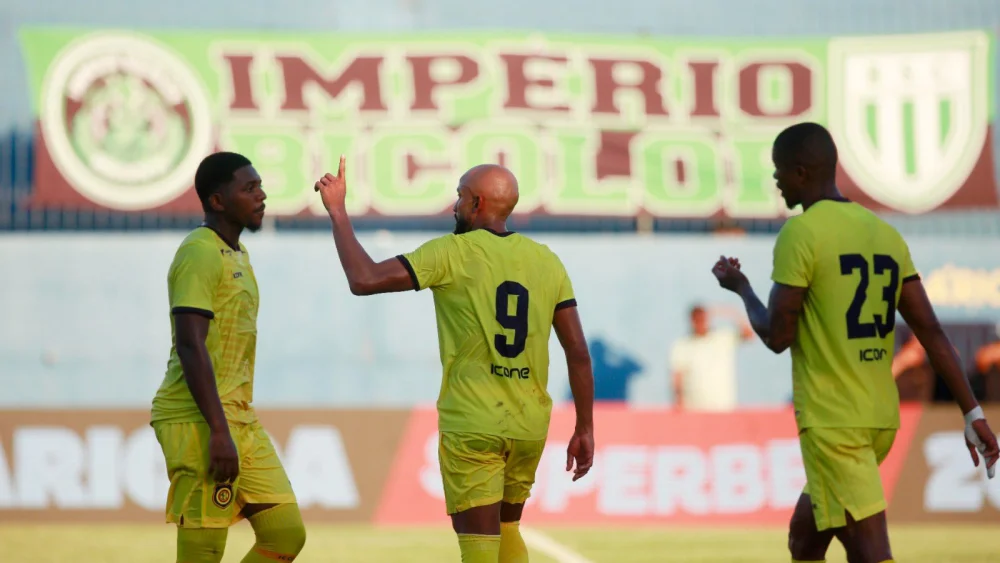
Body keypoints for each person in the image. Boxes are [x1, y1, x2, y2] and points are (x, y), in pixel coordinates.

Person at [710, 122, 999, 563]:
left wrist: (742, 288)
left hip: (834, 423)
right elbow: (933, 333)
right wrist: (972, 411)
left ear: (802, 173)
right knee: (804, 540)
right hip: (879, 418)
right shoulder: (883, 234)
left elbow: (776, 335)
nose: (776, 181)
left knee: (870, 552)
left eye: (779, 171)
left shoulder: (801, 234)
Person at [315, 157, 595, 563]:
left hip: (473, 426)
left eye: (460, 196)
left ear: (478, 204)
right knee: (508, 530)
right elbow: (578, 352)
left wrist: (338, 212)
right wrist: (584, 426)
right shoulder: (547, 260)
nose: (454, 205)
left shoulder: (451, 251)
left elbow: (365, 278)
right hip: (529, 425)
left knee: (479, 550)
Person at [151, 152, 306, 563]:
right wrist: (218, 431)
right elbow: (189, 343)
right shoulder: (199, 252)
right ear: (218, 201)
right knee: (204, 554)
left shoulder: (236, 254)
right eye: (249, 188)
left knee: (285, 534)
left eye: (260, 186)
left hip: (238, 416)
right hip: (198, 419)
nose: (262, 195)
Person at [670, 304, 753, 411]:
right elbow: (677, 377)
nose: (700, 322)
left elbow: (749, 334)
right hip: (694, 409)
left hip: (724, 408)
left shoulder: (723, 338)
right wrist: (678, 401)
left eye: (702, 318)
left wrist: (728, 312)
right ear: (691, 320)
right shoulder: (682, 345)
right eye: (697, 319)